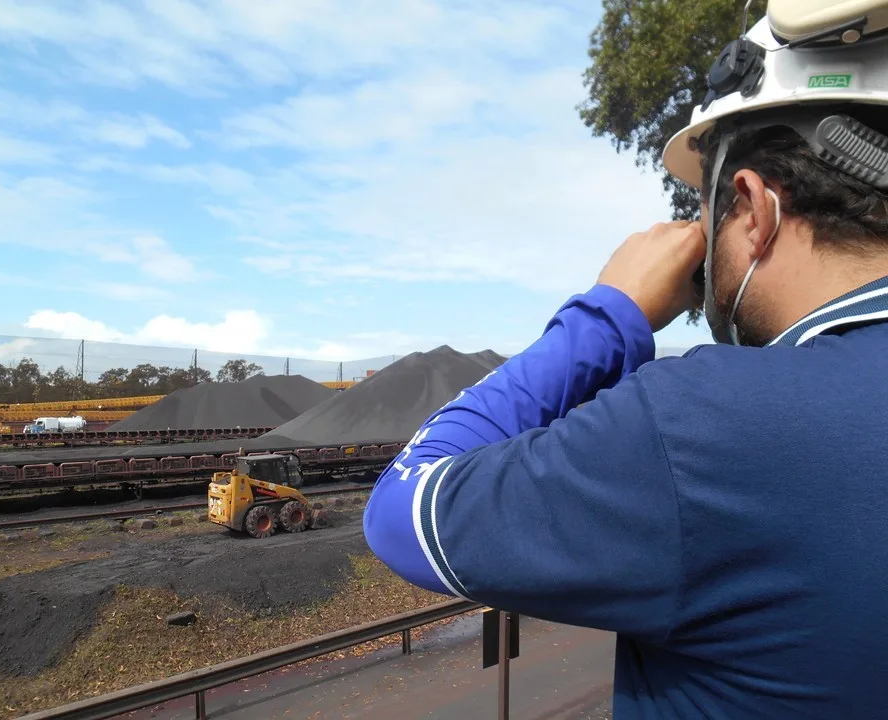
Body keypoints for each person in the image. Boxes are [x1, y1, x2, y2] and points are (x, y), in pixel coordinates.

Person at [363, 5, 888, 719]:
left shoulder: (705, 424)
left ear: (753, 207)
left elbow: (403, 511)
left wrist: (609, 313)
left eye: (703, 209)